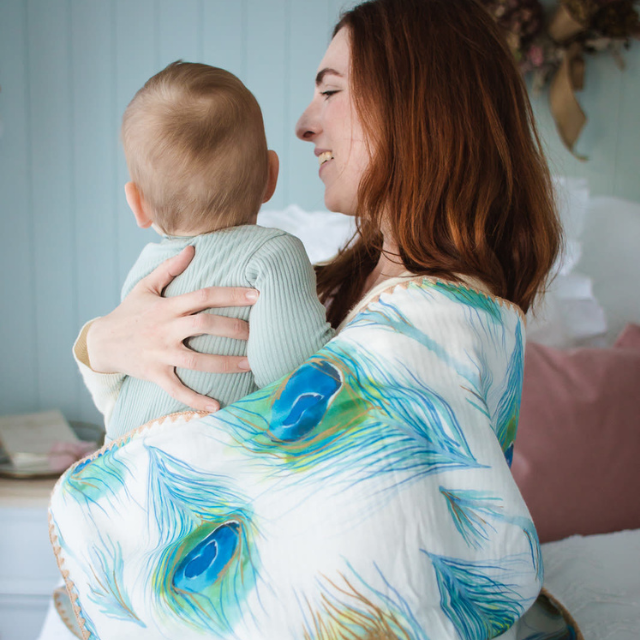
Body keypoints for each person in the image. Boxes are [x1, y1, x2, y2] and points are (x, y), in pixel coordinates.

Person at [58, 0, 572, 637]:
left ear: (417, 106)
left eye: (330, 90)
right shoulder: (342, 288)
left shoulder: (434, 324)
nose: (303, 124)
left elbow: (355, 542)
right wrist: (102, 343)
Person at [85, 61, 333, 441]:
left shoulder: (146, 270)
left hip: (122, 464)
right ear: (271, 175)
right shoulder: (274, 253)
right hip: (204, 469)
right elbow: (290, 377)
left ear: (137, 203)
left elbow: (114, 386)